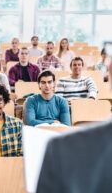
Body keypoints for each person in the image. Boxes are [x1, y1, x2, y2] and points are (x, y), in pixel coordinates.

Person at [36, 59, 112, 193]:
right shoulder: (62, 148)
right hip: (67, 108)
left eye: (79, 65)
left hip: (80, 107)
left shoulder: (62, 149)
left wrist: (79, 102)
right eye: (74, 64)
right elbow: (59, 98)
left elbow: (92, 95)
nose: (77, 67)